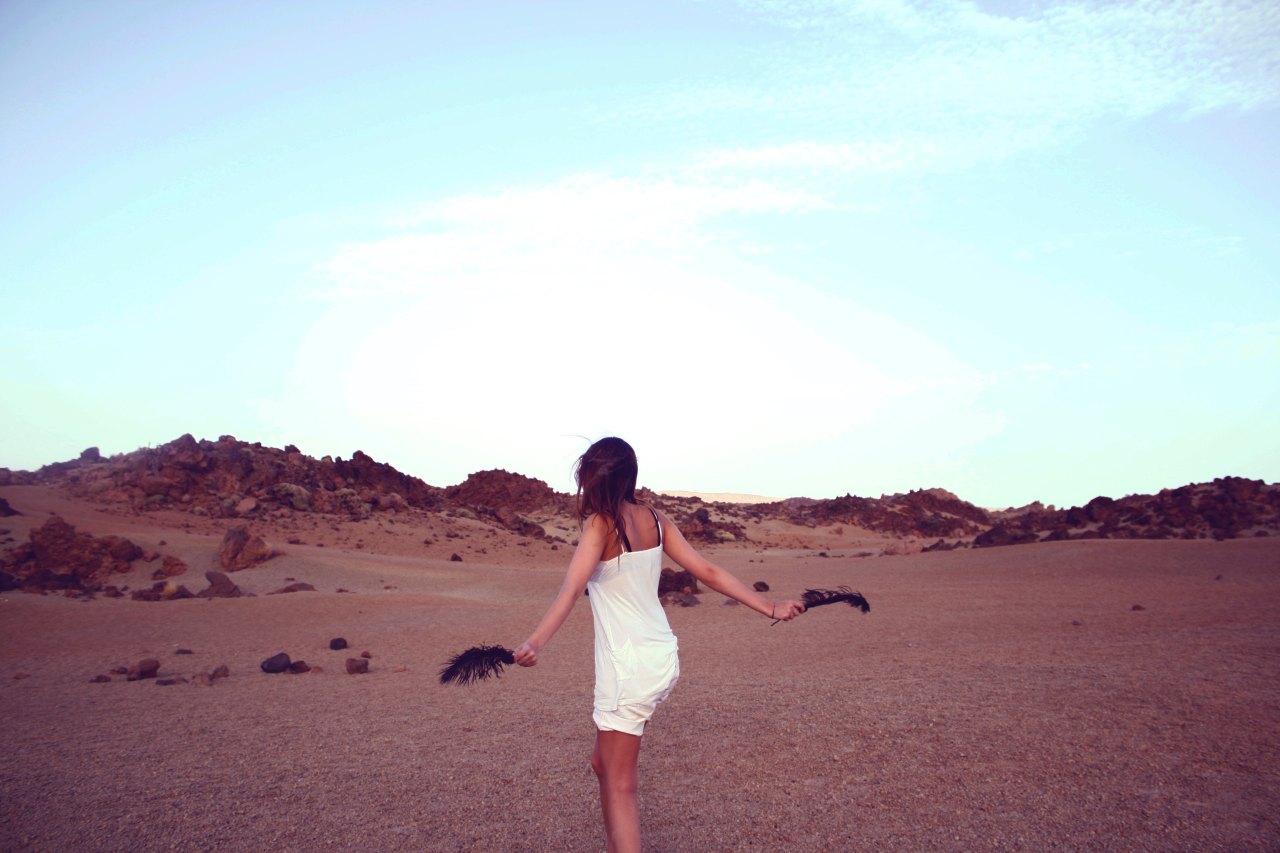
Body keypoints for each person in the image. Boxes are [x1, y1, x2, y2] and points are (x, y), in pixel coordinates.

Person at [512, 437, 805, 853]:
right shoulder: (656, 518)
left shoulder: (600, 524)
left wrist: (535, 643)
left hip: (627, 666)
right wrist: (769, 607)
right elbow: (706, 570)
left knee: (621, 786)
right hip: (659, 656)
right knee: (603, 764)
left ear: (594, 477)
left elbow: (570, 590)